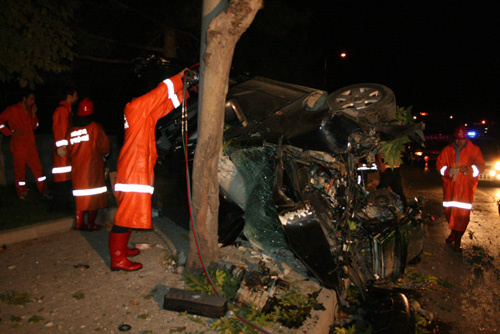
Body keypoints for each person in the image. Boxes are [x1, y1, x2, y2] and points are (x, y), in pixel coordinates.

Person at [109, 68, 190, 271]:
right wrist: (179, 78)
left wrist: (185, 92)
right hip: (134, 167)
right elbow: (161, 92)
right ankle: (117, 258)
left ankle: (122, 250)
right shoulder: (138, 107)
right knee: (125, 214)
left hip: (135, 165)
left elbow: (163, 105)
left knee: (127, 212)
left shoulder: (141, 113)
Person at [58, 98, 110, 230]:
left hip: (77, 169)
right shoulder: (95, 127)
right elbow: (105, 147)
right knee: (94, 197)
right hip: (93, 169)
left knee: (80, 196)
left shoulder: (72, 130)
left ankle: (79, 223)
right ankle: (91, 224)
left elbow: (67, 148)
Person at [436, 125, 485, 252]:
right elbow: (440, 165)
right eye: (457, 139)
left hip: (465, 188)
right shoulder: (447, 150)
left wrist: (468, 170)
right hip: (451, 187)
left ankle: (458, 240)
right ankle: (453, 233)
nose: (459, 142)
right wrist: (448, 171)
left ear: (466, 138)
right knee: (450, 213)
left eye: (462, 139)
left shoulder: (474, 150)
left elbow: (480, 166)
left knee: (462, 216)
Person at [0, 91, 50, 199]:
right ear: (24, 99)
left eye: (34, 99)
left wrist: (33, 114)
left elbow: (35, 126)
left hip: (30, 145)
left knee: (38, 169)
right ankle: (22, 192)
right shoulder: (13, 109)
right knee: (20, 170)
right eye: (31, 99)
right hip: (19, 145)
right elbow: (0, 121)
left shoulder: (29, 111)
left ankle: (44, 190)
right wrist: (9, 132)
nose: (33, 101)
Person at [51, 85, 78, 211]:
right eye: (75, 95)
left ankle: (62, 204)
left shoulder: (66, 110)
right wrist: (61, 147)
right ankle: (60, 205)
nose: (76, 98)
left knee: (65, 178)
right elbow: (60, 129)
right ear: (69, 96)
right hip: (63, 151)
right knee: (62, 178)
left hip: (65, 150)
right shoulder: (62, 110)